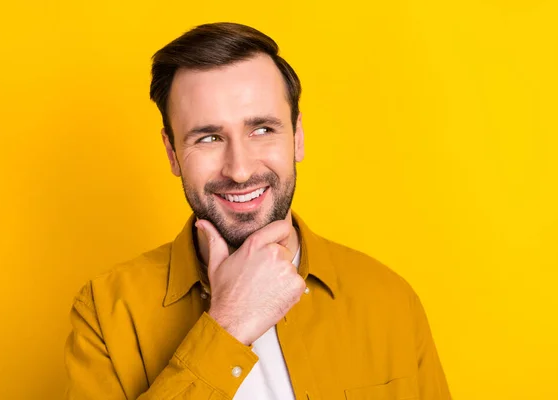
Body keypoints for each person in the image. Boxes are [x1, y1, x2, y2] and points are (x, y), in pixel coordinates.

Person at [64, 22, 451, 400]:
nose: (241, 169)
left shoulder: (389, 301)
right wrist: (227, 327)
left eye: (262, 129)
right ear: (172, 153)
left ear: (297, 136)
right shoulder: (105, 312)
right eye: (209, 137)